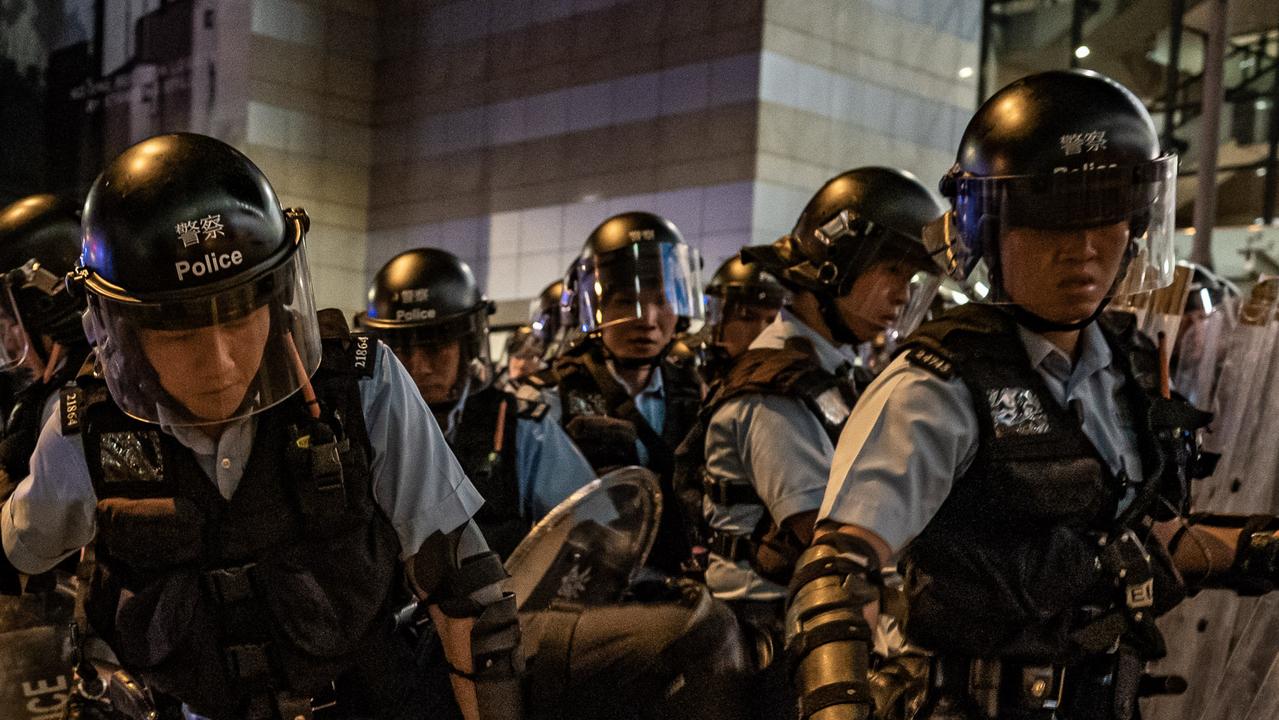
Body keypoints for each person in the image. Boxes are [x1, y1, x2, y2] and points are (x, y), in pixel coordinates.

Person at [787, 69, 1279, 720]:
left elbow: (1139, 539)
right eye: (1048, 217)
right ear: (989, 231)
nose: (1080, 249)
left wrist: (1251, 551)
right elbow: (835, 574)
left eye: (1104, 212)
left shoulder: (1124, 370)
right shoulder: (935, 385)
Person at [0, 134, 522, 720]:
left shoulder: (361, 387)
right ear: (125, 332)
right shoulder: (86, 431)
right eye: (180, 330)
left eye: (242, 311)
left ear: (276, 297)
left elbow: (467, 593)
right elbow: (21, 552)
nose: (221, 361)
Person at [673, 168, 944, 718]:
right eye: (891, 269)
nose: (901, 293)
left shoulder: (833, 375)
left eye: (912, 276)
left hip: (804, 629)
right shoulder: (773, 388)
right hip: (766, 647)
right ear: (835, 266)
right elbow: (825, 542)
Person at [360, 247, 594, 557]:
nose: (418, 367)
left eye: (436, 346)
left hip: (502, 601)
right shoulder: (358, 429)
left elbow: (592, 528)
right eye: (400, 350)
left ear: (467, 346)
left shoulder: (520, 426)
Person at [527, 211, 705, 574]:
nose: (648, 319)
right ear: (596, 307)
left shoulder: (695, 390)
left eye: (663, 300)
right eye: (627, 301)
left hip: (685, 578)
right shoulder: (552, 398)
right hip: (590, 583)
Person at [698, 254, 786, 381]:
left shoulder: (785, 387)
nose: (761, 333)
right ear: (720, 319)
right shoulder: (688, 377)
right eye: (748, 317)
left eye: (771, 322)